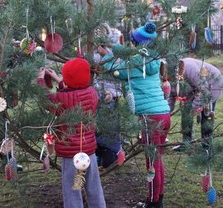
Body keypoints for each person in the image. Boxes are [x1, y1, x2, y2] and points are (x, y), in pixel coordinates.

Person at [97, 22, 171, 208]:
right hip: (163, 114)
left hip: (150, 118)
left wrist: (106, 55)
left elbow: (118, 70)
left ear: (136, 44)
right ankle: (158, 199)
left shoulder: (135, 61)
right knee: (157, 159)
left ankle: (152, 203)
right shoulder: (152, 58)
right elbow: (125, 52)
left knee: (151, 163)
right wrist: (112, 45)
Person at [36, 58, 106, 208]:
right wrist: (58, 79)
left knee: (72, 192)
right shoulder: (92, 93)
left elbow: (45, 99)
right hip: (89, 153)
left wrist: (41, 80)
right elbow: (74, 92)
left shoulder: (61, 99)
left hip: (71, 155)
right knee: (94, 189)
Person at [166, 57, 223, 151]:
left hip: (212, 84)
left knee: (206, 115)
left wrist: (194, 108)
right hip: (194, 88)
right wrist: (166, 112)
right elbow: (171, 94)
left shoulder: (190, 69)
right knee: (185, 114)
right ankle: (186, 144)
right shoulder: (170, 76)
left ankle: (207, 147)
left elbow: (204, 91)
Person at [93, 23, 125, 168]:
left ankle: (112, 153)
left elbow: (119, 66)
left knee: (111, 124)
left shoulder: (115, 45)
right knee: (99, 123)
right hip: (98, 89)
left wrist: (106, 55)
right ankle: (100, 153)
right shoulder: (93, 46)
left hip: (112, 91)